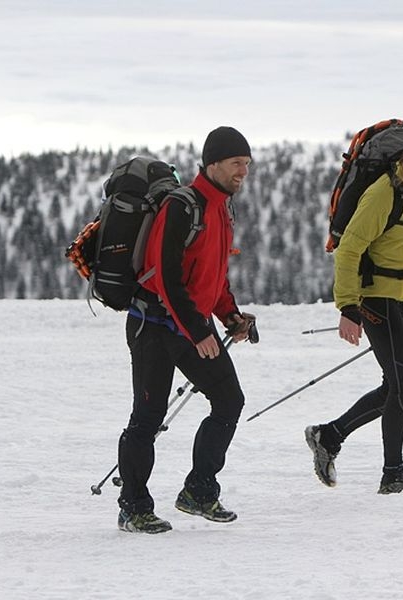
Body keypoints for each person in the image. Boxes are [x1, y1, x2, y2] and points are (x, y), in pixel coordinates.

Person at [305, 126, 403, 495]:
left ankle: (328, 436)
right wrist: (348, 307)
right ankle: (393, 473)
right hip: (373, 296)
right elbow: (349, 250)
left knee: (398, 387)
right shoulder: (385, 194)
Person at [116, 126, 256, 533]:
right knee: (148, 417)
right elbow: (166, 277)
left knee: (229, 400)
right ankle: (134, 506)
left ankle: (198, 491)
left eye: (246, 164)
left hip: (189, 323)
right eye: (236, 164)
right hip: (154, 324)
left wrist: (230, 316)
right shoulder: (182, 206)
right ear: (212, 164)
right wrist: (199, 330)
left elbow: (213, 277)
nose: (242, 172)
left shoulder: (222, 207)